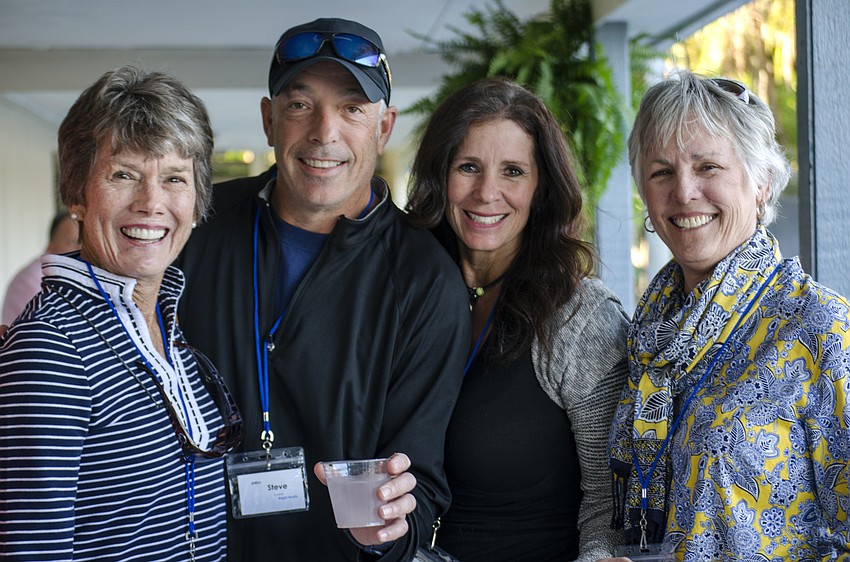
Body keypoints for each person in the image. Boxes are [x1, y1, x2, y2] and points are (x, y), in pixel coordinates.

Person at [175, 17, 470, 562]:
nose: (324, 132)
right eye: (299, 104)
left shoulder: (423, 281)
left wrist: (389, 531)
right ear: (269, 120)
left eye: (353, 109)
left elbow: (420, 485)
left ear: (384, 129)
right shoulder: (198, 227)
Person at [0, 65, 241, 561]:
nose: (151, 203)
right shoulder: (52, 345)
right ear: (76, 195)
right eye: (123, 174)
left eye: (174, 178)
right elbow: (32, 549)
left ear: (196, 204)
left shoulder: (168, 328)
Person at [608, 70, 850, 560]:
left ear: (760, 182)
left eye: (708, 166)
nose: (683, 191)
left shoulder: (821, 327)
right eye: (661, 172)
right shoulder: (648, 337)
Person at [405, 76, 629, 562]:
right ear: (438, 177)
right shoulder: (406, 296)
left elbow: (608, 501)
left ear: (541, 188)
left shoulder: (581, 319)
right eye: (468, 167)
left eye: (512, 171)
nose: (487, 193)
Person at [1, 210, 79, 324]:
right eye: (73, 242)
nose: (80, 250)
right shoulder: (34, 278)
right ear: (50, 244)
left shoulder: (67, 274)